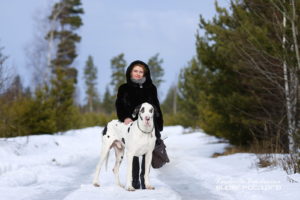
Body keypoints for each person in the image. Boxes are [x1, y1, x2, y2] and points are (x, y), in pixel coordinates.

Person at [115, 60, 163, 189]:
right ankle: (134, 181)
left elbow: (156, 106)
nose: (138, 74)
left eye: (141, 71)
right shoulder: (124, 88)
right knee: (133, 153)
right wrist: (125, 117)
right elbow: (119, 105)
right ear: (130, 72)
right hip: (131, 125)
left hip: (149, 126)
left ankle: (145, 181)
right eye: (135, 71)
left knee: (148, 152)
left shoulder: (151, 88)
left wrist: (159, 124)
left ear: (145, 73)